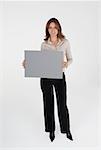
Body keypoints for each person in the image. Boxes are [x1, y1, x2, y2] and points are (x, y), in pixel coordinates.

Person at [22, 18, 73, 142]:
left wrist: (66, 64)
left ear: (58, 29)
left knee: (62, 104)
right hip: (46, 77)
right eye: (50, 27)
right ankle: (51, 129)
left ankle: (66, 129)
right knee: (48, 103)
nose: (53, 30)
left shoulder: (65, 42)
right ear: (47, 29)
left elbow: (71, 58)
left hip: (59, 76)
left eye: (55, 27)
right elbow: (40, 62)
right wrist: (28, 63)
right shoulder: (44, 44)